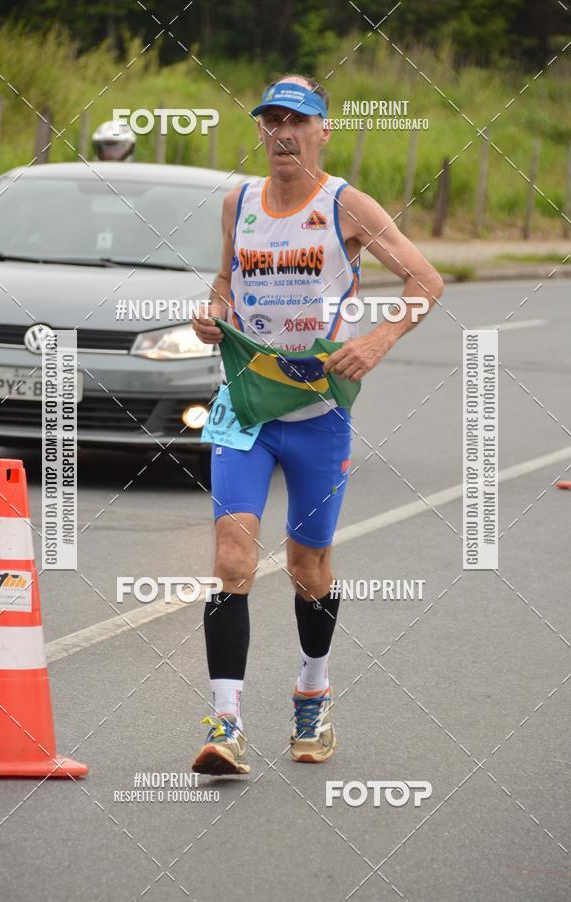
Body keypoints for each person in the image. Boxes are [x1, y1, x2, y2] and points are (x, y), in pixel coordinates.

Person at [190, 75, 444, 775]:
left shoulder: (346, 206)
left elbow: (426, 281)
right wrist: (210, 314)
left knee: (307, 568)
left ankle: (311, 693)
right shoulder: (237, 203)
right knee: (232, 560)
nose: (282, 134)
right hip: (244, 405)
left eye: (296, 121)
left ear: (323, 130)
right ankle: (226, 723)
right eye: (271, 122)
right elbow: (223, 282)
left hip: (318, 412)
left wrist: (378, 341)